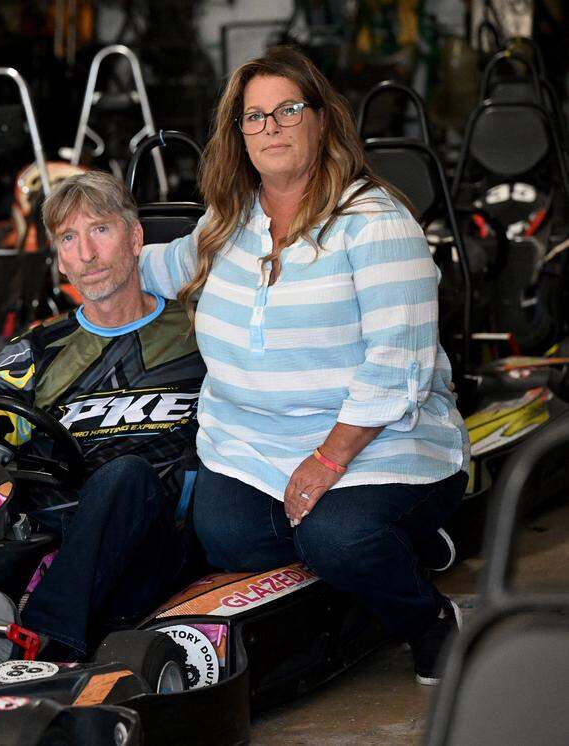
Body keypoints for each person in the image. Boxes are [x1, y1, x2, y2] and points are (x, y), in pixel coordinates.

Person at [139, 46, 470, 685]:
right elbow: (166, 265)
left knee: (334, 539)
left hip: (378, 444)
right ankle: (395, 555)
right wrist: (99, 250)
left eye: (288, 110)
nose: (271, 129)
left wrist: (326, 461)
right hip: (259, 451)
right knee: (225, 536)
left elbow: (398, 362)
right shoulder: (229, 219)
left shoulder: (374, 221)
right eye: (254, 117)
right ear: (238, 135)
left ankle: (429, 623)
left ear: (321, 119)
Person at [0, 170, 206, 669]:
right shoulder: (37, 349)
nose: (87, 254)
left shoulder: (200, 329)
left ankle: (35, 639)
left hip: (156, 536)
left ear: (134, 239)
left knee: (124, 475)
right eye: (69, 238)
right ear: (60, 260)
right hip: (53, 531)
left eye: (100, 231)